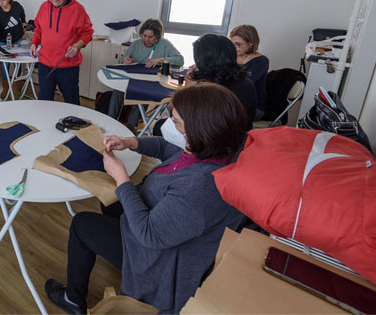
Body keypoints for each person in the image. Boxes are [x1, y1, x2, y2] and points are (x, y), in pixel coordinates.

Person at [44, 83, 248, 314]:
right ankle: (117, 252)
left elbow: (148, 234)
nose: (170, 124)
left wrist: (122, 178)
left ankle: (73, 299)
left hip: (157, 258)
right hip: (157, 219)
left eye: (176, 122)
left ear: (198, 131)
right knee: (109, 198)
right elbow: (169, 149)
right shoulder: (215, 151)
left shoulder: (200, 187)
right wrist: (131, 143)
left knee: (82, 224)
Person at [30, 0, 93, 105]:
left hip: (68, 67)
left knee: (72, 104)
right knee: (44, 104)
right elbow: (38, 29)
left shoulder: (78, 10)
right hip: (45, 65)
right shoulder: (43, 7)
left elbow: (87, 33)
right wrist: (34, 43)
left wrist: (77, 46)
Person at [107, 19, 184, 127]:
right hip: (134, 78)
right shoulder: (136, 44)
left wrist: (161, 60)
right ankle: (109, 121)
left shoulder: (164, 44)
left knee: (141, 94)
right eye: (144, 35)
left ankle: (131, 126)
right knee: (117, 90)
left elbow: (180, 60)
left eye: (150, 37)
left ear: (157, 36)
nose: (146, 39)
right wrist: (124, 60)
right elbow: (121, 60)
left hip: (152, 81)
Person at [185, 34, 257, 130]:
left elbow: (187, 116)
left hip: (217, 135)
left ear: (207, 61)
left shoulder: (216, 87)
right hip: (238, 134)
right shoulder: (243, 81)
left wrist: (188, 90)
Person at [0, 0, 27, 98]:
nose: (1, 2)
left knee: (18, 61)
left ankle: (18, 81)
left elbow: (22, 13)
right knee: (4, 64)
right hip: (3, 41)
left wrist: (23, 23)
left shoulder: (16, 6)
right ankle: (5, 87)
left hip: (18, 38)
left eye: (3, 0)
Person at [230, 25, 269, 121]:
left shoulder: (261, 61)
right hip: (231, 103)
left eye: (238, 44)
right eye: (231, 44)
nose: (234, 48)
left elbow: (242, 85)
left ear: (250, 44)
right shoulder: (230, 57)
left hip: (252, 108)